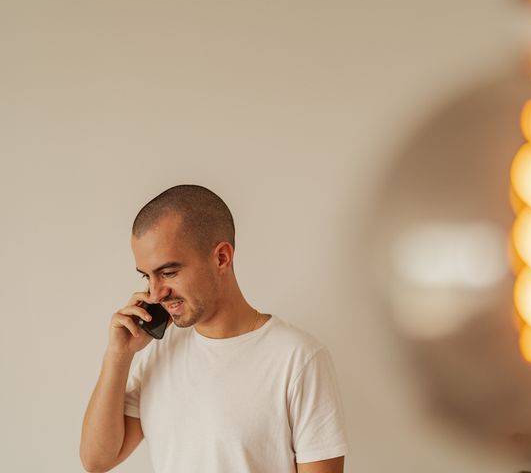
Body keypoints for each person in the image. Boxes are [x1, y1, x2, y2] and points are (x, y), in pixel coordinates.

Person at [80, 184, 348, 473]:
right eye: (147, 276)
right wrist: (118, 355)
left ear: (221, 257)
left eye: (168, 272)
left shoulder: (299, 359)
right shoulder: (160, 351)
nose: (155, 294)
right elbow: (97, 460)